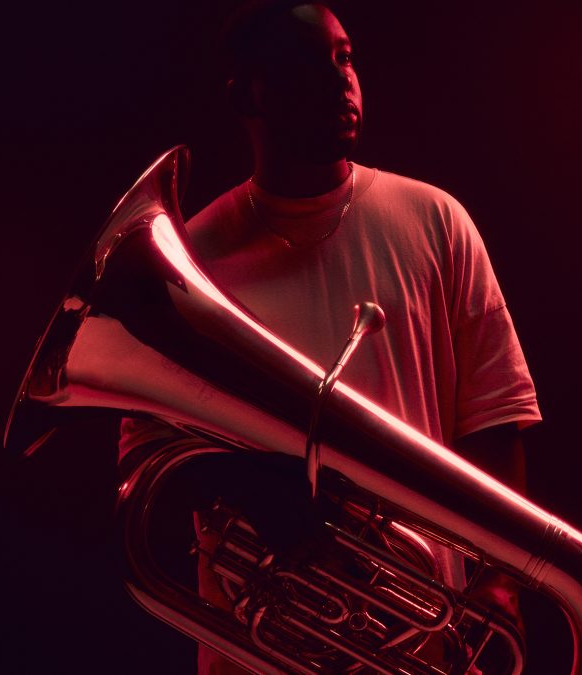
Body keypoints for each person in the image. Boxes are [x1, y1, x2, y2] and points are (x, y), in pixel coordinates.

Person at [118, 1, 542, 671]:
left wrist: (500, 578)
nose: (341, 79)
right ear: (248, 91)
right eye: (309, 63)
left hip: (421, 644)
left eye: (345, 58)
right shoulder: (188, 261)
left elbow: (493, 418)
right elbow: (149, 469)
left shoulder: (437, 220)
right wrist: (259, 497)